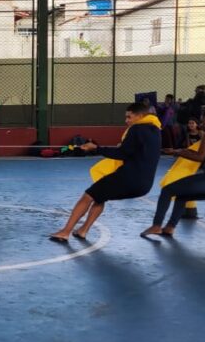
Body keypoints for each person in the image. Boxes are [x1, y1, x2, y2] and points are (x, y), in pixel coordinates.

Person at [50, 102, 161, 242]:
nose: (126, 121)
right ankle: (83, 230)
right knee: (100, 197)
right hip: (145, 185)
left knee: (87, 196)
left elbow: (122, 153)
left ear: (140, 116)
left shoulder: (136, 129)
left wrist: (96, 148)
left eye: (129, 117)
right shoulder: (156, 130)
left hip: (128, 179)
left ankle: (65, 232)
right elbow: (137, 151)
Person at [142, 106, 205, 237]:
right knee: (183, 195)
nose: (202, 124)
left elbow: (200, 157)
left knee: (167, 190)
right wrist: (176, 151)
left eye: (204, 120)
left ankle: (156, 225)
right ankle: (169, 227)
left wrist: (179, 153)